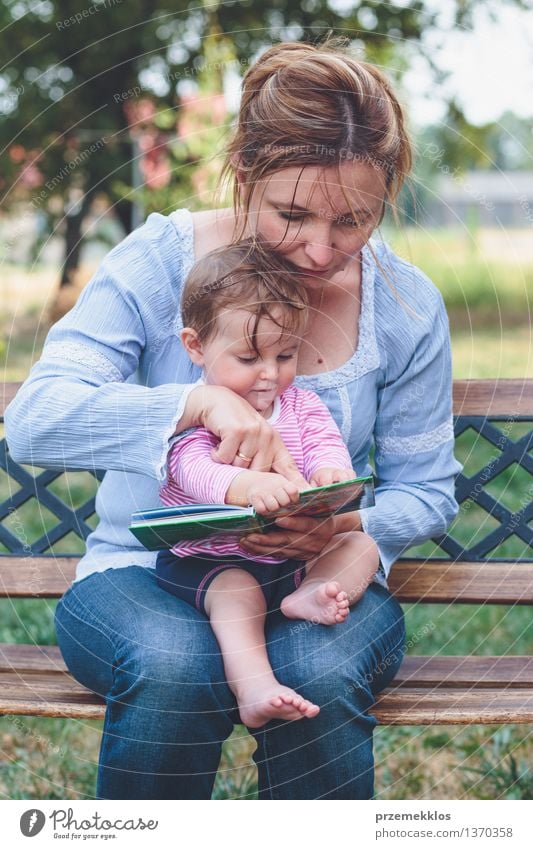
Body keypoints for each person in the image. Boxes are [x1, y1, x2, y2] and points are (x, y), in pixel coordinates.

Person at [5, 37, 461, 800]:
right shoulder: (157, 264)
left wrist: (343, 530)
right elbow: (35, 419)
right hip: (141, 575)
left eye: (354, 220)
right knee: (175, 662)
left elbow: (426, 489)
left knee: (316, 662)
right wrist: (194, 400)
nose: (321, 251)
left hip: (314, 575)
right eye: (291, 214)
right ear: (244, 174)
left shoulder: (406, 306)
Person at [155, 240, 379, 729]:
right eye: (249, 357)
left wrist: (331, 476)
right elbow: (196, 471)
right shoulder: (195, 411)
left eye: (285, 354)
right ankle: (254, 686)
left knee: (360, 544)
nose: (270, 375)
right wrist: (248, 485)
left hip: (293, 560)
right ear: (196, 346)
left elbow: (324, 446)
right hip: (214, 561)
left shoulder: (300, 405)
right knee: (239, 593)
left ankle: (317, 592)